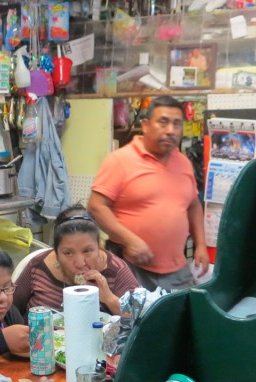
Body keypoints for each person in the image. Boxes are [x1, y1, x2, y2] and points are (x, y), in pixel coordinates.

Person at [88, 95, 209, 292]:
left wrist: (201, 245)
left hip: (176, 268)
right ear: (145, 125)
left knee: (184, 318)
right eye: (163, 122)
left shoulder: (183, 163)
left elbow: (193, 205)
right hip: (131, 267)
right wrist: (130, 239)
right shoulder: (120, 160)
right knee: (135, 321)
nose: (170, 130)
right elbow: (96, 206)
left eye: (176, 124)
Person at [12, 205, 139, 316]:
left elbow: (141, 319)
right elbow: (10, 309)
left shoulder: (116, 270)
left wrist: (108, 298)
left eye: (87, 251)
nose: (80, 263)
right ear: (55, 252)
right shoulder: (38, 266)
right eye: (68, 253)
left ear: (99, 247)